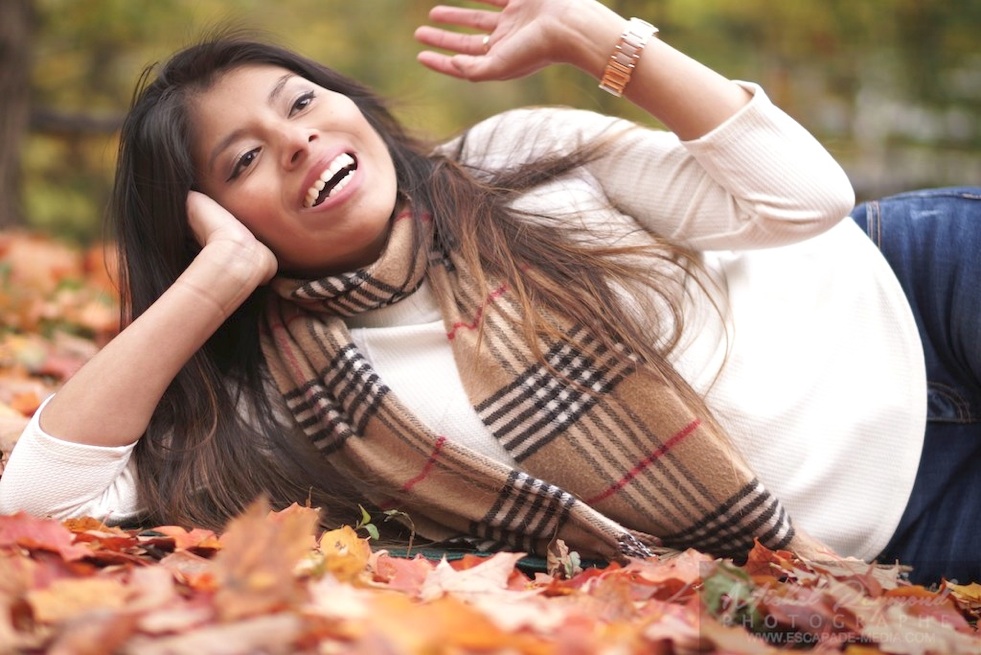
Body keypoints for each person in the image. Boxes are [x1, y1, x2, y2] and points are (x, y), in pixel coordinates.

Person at [0, 0, 974, 583]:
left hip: (918, 283)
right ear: (211, 218)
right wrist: (214, 282)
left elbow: (807, 198)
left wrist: (607, 44)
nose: (297, 138)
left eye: (299, 101)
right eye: (246, 156)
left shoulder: (511, 157)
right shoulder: (296, 412)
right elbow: (47, 495)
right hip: (905, 518)